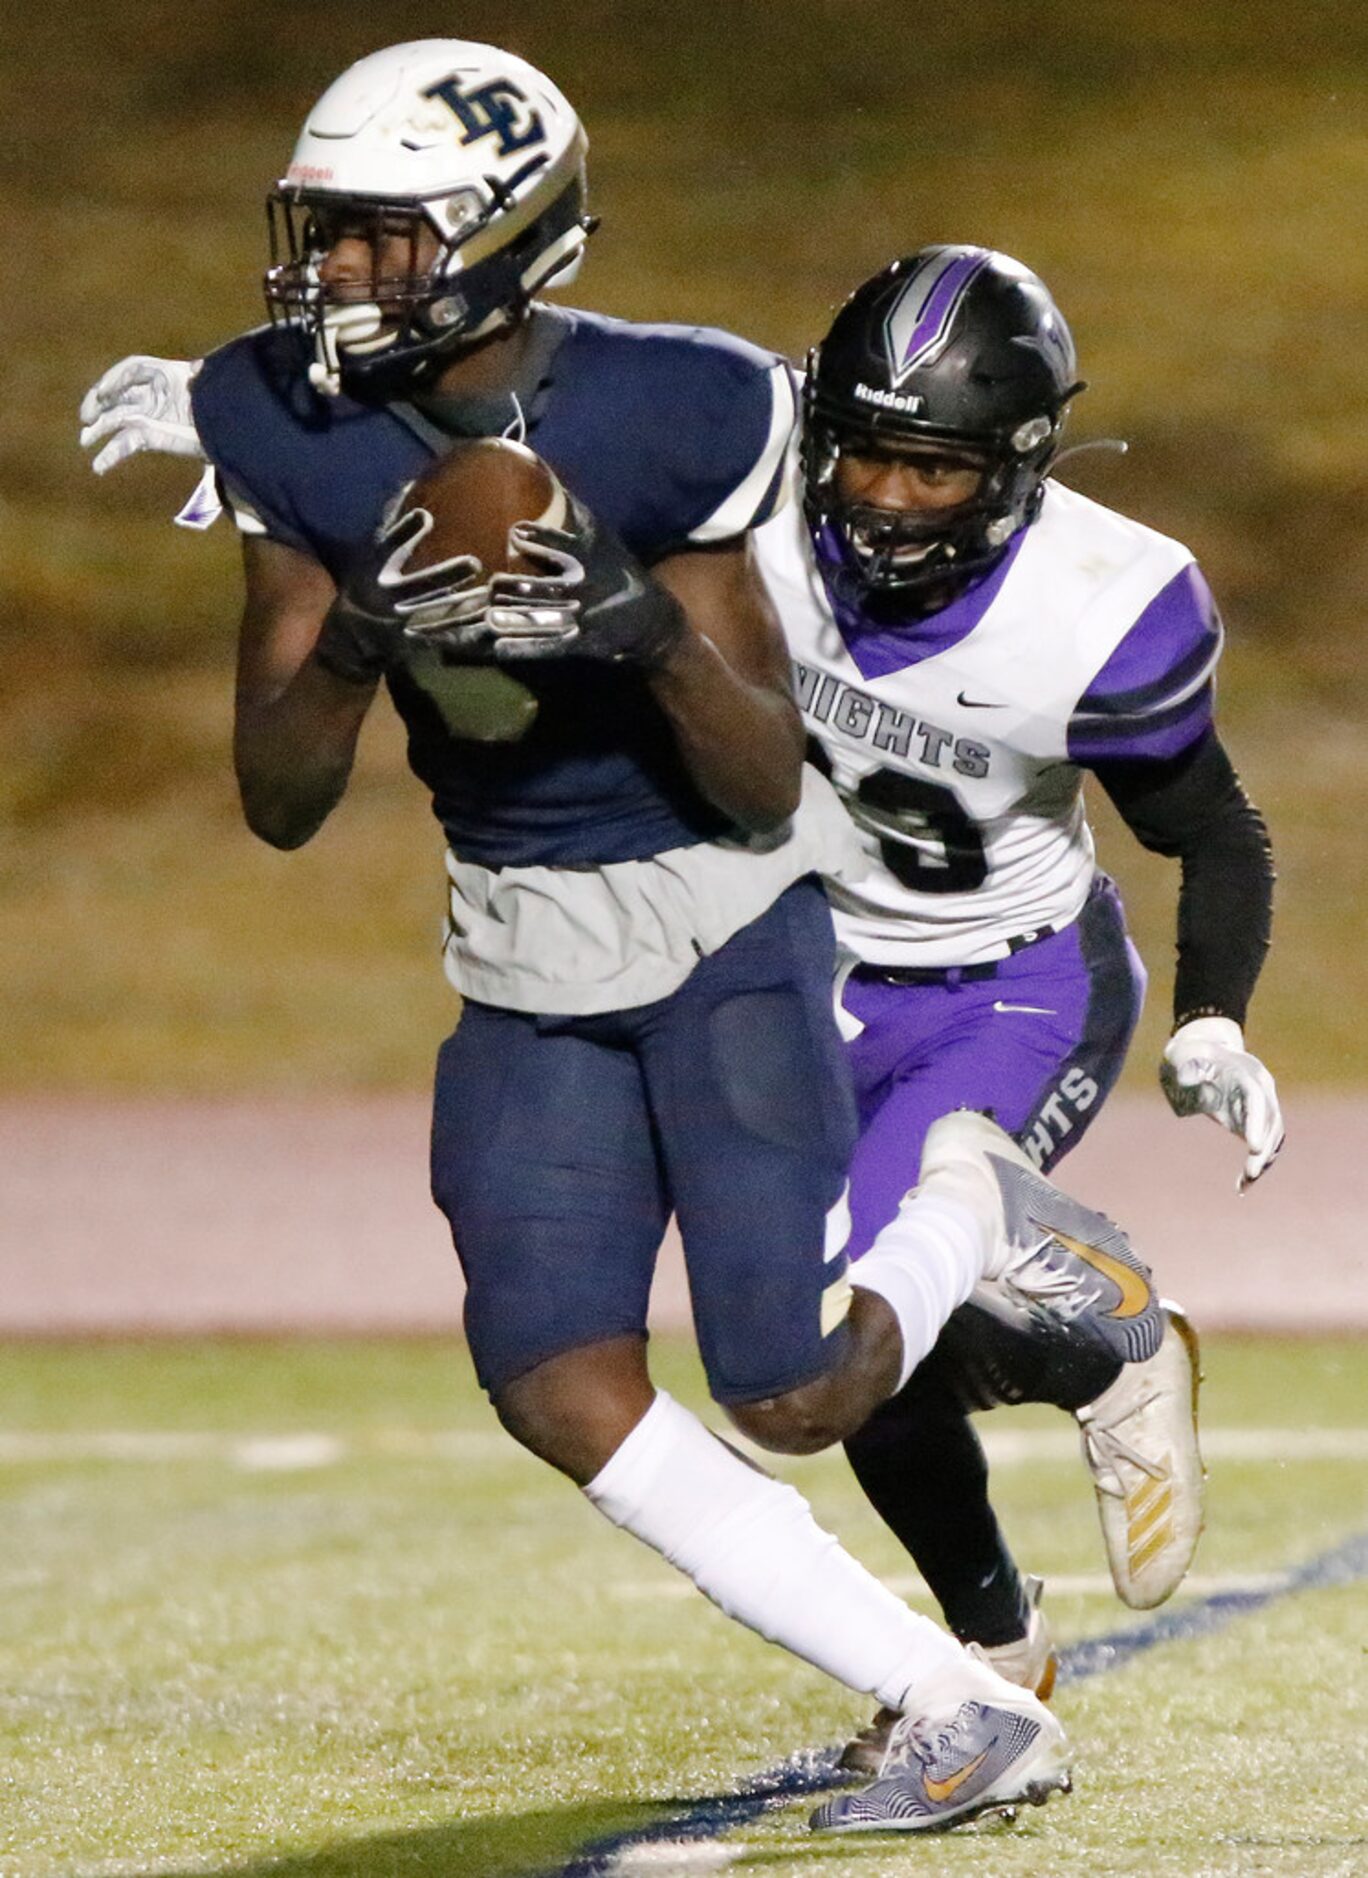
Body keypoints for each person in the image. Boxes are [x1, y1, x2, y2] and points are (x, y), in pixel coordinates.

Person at [78, 42, 1190, 1836]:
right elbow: (280, 796)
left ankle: (991, 1205)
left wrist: (637, 623)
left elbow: (760, 777)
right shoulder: (280, 412)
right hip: (517, 944)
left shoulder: (678, 411)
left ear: (508, 240)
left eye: (378, 239)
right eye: (324, 234)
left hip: (725, 915)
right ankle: (952, 1699)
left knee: (793, 1382)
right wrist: (362, 624)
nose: (333, 275)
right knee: (551, 1372)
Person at [751, 244, 1283, 1769]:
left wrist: (1216, 1019)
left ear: (1016, 464)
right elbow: (567, 397)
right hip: (817, 982)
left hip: (1014, 991)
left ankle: (1087, 1367)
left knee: (850, 1317)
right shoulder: (754, 493)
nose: (881, 497)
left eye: (932, 467)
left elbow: (1215, 830)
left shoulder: (1099, 604)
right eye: (862, 453)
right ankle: (1004, 1632)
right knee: (815, 1352)